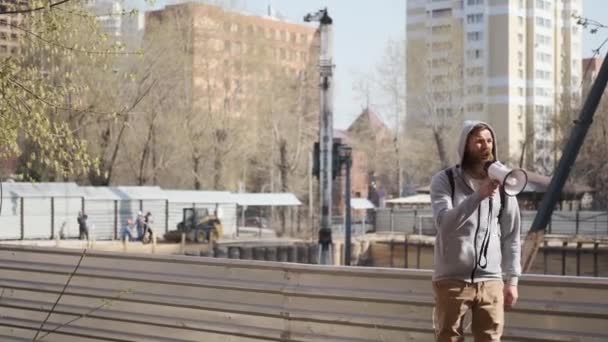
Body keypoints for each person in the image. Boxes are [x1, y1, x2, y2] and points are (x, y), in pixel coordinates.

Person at [429, 121, 521, 341]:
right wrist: (479, 195)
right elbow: (444, 223)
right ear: (465, 146)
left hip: (491, 281)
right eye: (479, 141)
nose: (485, 146)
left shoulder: (503, 182)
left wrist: (512, 281)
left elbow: (512, 236)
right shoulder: (445, 181)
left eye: (489, 141)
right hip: (452, 280)